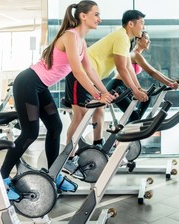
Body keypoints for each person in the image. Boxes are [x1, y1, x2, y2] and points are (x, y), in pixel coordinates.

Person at [0, 0, 116, 200]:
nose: (99, 19)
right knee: (29, 133)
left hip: (39, 86)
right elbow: (76, 70)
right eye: (96, 14)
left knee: (55, 127)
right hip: (28, 83)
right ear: (83, 16)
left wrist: (104, 92)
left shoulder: (81, 42)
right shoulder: (70, 36)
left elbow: (89, 70)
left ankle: (52, 174)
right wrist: (96, 94)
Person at [63, 10, 149, 175]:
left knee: (100, 109)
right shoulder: (121, 37)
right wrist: (134, 91)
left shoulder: (125, 39)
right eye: (141, 23)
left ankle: (98, 145)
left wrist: (137, 88)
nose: (143, 26)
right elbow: (121, 68)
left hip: (92, 76)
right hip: (79, 76)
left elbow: (129, 67)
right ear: (131, 24)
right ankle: (68, 158)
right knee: (80, 116)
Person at [106, 30, 179, 122]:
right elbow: (152, 72)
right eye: (147, 38)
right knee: (134, 116)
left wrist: (171, 82)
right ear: (138, 40)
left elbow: (154, 70)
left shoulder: (137, 55)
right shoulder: (135, 54)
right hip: (117, 86)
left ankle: (133, 128)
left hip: (126, 86)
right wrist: (170, 83)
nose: (149, 41)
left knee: (146, 99)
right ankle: (129, 131)